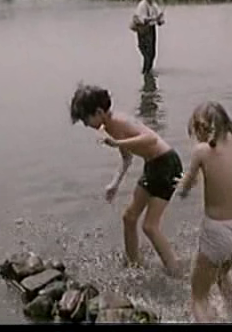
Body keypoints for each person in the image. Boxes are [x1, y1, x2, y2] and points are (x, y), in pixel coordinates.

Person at [70, 83, 182, 276]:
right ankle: (133, 265)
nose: (86, 125)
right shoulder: (110, 126)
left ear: (99, 112)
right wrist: (115, 183)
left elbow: (151, 139)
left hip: (167, 164)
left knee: (149, 226)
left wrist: (117, 142)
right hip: (153, 165)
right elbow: (127, 158)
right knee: (129, 218)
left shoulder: (119, 121)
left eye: (86, 119)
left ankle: (176, 272)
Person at [176, 101, 232, 322]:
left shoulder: (202, 151)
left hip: (218, 232)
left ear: (202, 128)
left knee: (198, 297)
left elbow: (184, 190)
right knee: (222, 276)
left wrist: (183, 184)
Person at [132, 0, 165, 74]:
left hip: (151, 30)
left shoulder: (154, 5)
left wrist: (160, 20)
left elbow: (159, 18)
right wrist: (155, 18)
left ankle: (148, 72)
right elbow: (143, 20)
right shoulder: (142, 5)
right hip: (143, 31)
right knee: (146, 53)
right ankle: (146, 73)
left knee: (152, 53)